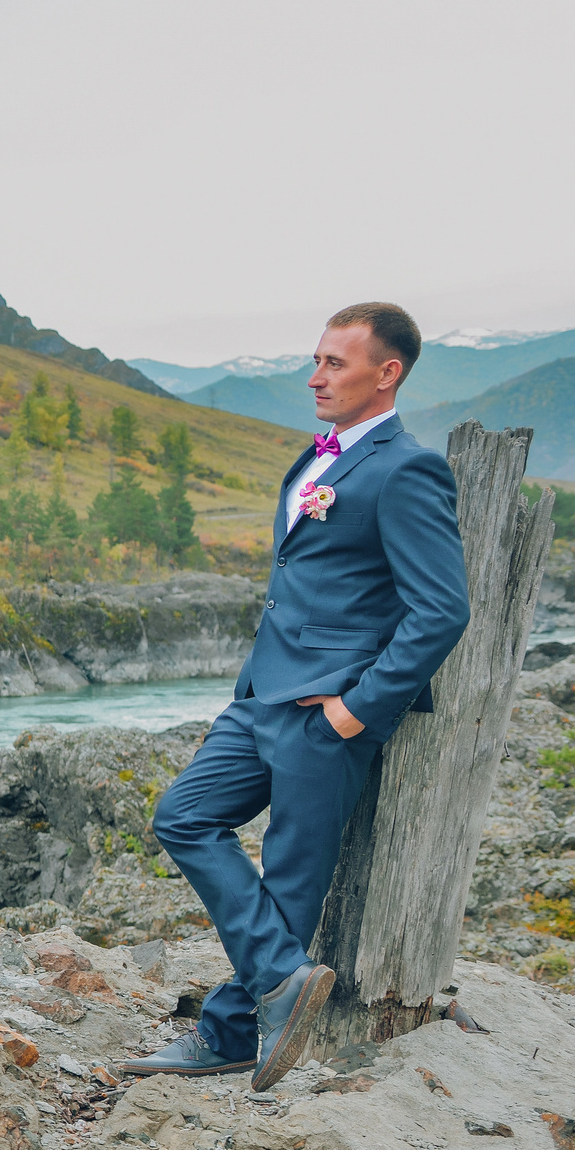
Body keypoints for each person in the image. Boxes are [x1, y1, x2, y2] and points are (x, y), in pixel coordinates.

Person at [126, 303, 469, 1088]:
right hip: (260, 697)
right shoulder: (316, 458)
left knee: (289, 876)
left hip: (327, 713)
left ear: (388, 374)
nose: (315, 377)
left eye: (335, 364)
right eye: (315, 360)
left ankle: (228, 1033)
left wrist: (360, 706)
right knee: (183, 814)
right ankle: (281, 977)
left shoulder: (404, 467)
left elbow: (442, 608)